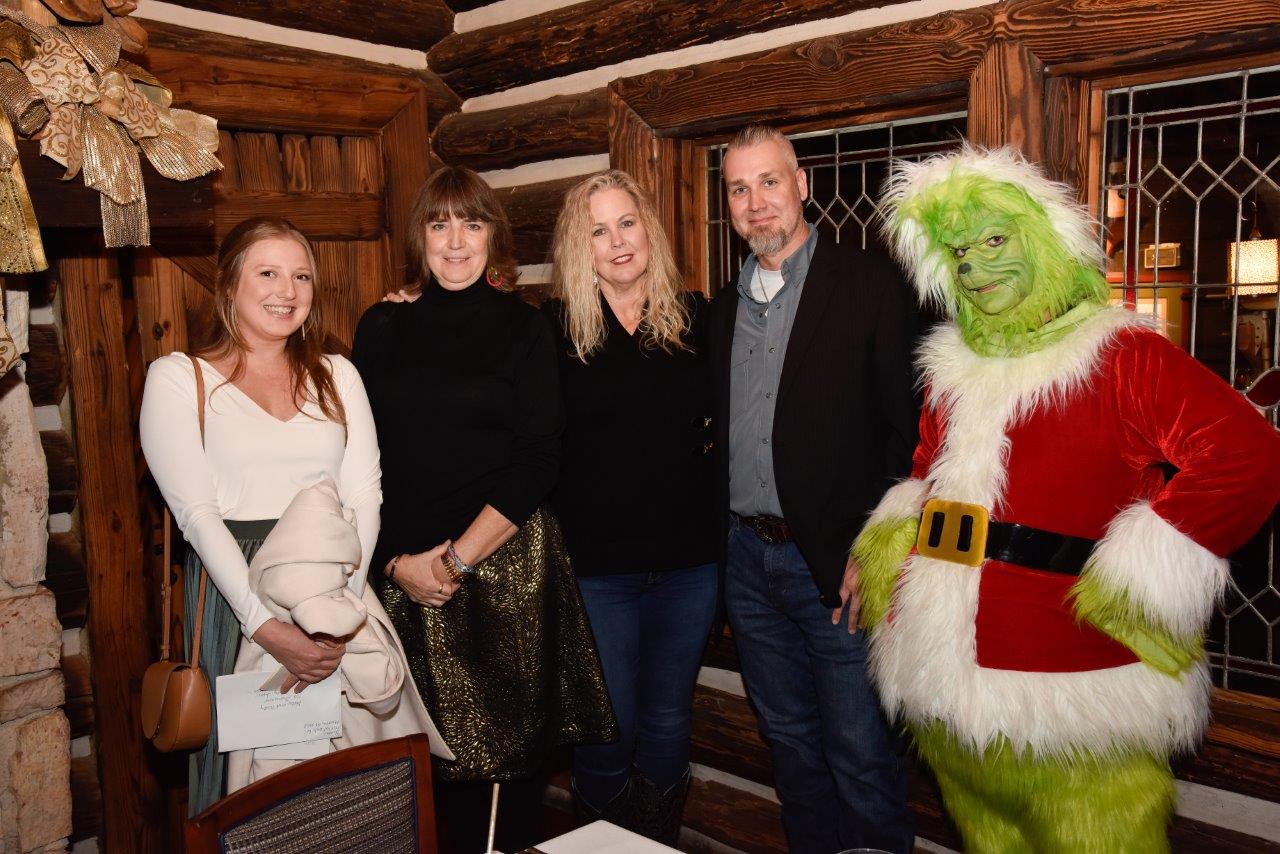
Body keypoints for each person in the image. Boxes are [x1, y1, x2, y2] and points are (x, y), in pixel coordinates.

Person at [859, 146, 1280, 851]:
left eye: (994, 241)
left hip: (1072, 689)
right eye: (958, 252)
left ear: (1044, 240)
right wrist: (886, 554)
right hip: (939, 678)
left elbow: (1249, 456)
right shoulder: (949, 367)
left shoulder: (1124, 356)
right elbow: (927, 469)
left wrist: (1144, 576)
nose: (974, 269)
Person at [351, 166, 615, 851]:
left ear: (493, 236)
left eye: (472, 224)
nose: (455, 241)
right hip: (401, 579)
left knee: (503, 779)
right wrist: (396, 562)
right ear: (420, 237)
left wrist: (455, 562)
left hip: (501, 574)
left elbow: (540, 460)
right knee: (412, 773)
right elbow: (358, 460)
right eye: (439, 224)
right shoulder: (380, 326)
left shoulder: (525, 329)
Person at [708, 124, 918, 853]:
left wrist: (878, 549)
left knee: (861, 756)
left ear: (801, 185)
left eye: (770, 182)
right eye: (739, 189)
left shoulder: (869, 286)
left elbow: (910, 435)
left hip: (836, 568)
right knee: (792, 749)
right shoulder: (722, 310)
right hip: (746, 566)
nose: (756, 202)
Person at [140, 217, 382, 814]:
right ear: (229, 285)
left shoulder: (338, 375)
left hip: (333, 587)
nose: (287, 291)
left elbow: (365, 497)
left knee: (340, 787)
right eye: (268, 273)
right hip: (237, 594)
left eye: (301, 276)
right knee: (252, 796)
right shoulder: (179, 379)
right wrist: (266, 627)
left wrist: (335, 619)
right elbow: (197, 516)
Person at [543, 169, 717, 844]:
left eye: (627, 223)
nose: (617, 242)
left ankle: (653, 842)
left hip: (689, 566)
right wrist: (415, 301)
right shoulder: (554, 330)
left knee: (669, 724)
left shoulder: (699, 318)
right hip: (598, 571)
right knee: (606, 727)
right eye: (598, 231)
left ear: (649, 231)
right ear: (579, 247)